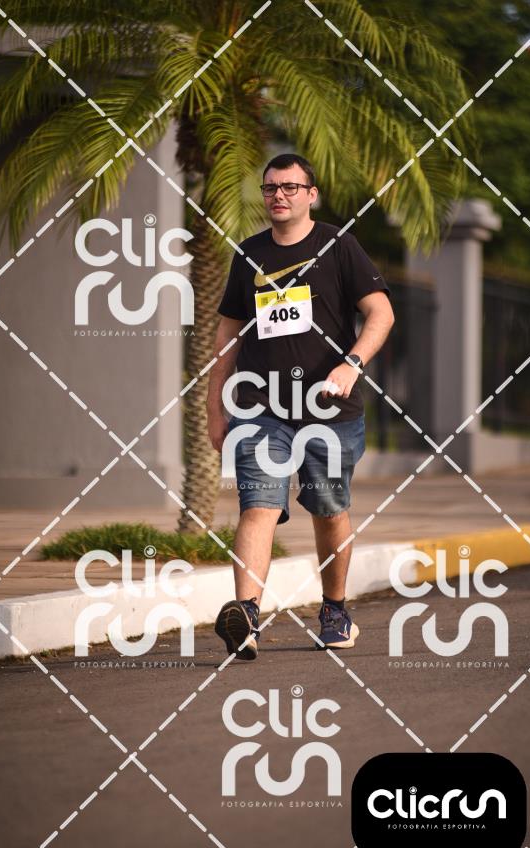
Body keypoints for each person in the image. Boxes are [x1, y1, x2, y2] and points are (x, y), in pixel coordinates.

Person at [208, 153, 394, 660]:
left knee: (328, 509)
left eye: (290, 187)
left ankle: (335, 609)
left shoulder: (339, 246)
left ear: (312, 194)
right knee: (258, 504)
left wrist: (351, 364)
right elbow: (228, 337)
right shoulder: (249, 255)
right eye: (270, 188)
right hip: (261, 406)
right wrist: (215, 406)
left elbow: (381, 313)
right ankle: (246, 616)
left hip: (328, 409)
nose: (279, 196)